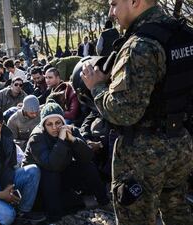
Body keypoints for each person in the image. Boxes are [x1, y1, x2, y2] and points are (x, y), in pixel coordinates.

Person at [81, 0, 193, 224]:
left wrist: (97, 86)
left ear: (135, 2)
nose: (111, 12)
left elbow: (123, 113)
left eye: (114, 4)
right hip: (181, 144)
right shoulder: (184, 34)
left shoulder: (140, 45)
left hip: (143, 154)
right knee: (178, 212)